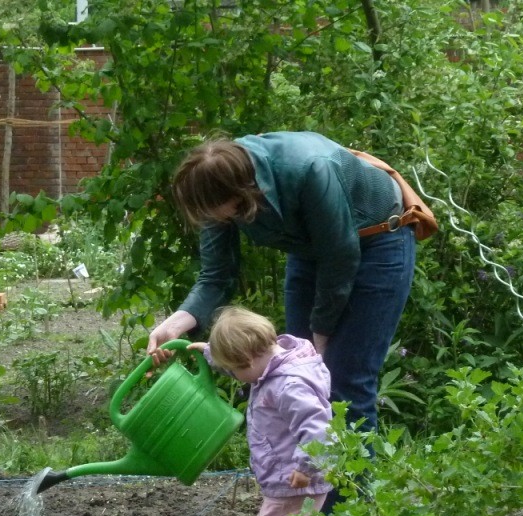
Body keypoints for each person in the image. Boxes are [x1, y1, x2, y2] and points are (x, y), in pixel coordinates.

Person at [148, 131, 436, 438]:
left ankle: (349, 486)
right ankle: (297, 483)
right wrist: (176, 324)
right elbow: (217, 275)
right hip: (312, 249)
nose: (209, 219)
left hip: (379, 241)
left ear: (240, 195)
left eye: (213, 212)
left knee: (344, 381)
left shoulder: (310, 169)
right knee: (288, 376)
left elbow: (339, 257)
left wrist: (320, 337)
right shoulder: (215, 192)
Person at [189, 306, 332, 516]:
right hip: (288, 477)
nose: (232, 373)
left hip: (296, 481)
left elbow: (319, 429)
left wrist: (306, 468)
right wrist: (209, 353)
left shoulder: (289, 385)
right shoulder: (269, 366)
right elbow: (244, 370)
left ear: (247, 359)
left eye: (232, 367)